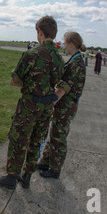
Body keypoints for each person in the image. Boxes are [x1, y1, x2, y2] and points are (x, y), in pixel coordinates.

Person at [0, 16, 64, 190]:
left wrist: (31, 85)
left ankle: (11, 176)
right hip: (47, 107)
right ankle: (26, 176)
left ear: (40, 32)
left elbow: (14, 80)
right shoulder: (60, 59)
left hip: (29, 105)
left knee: (19, 140)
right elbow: (57, 82)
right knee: (36, 141)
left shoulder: (31, 54)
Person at [37, 32, 87, 179]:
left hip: (66, 106)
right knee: (54, 132)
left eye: (65, 43)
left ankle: (55, 169)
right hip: (64, 106)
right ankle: (45, 161)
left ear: (71, 44)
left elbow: (62, 89)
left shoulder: (76, 63)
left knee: (59, 136)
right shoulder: (74, 59)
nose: (64, 46)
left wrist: (50, 102)